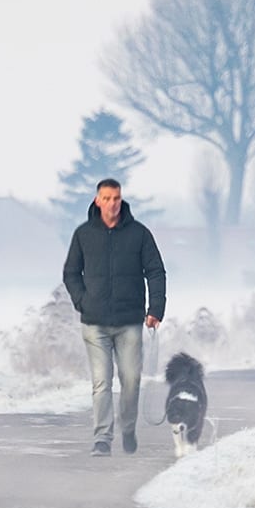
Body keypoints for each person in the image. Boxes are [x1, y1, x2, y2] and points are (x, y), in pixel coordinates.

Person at [61, 177, 167, 455]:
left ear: (122, 199)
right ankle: (102, 439)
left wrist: (155, 309)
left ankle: (128, 427)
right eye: (107, 198)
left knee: (131, 380)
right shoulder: (84, 234)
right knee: (101, 382)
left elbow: (155, 271)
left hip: (129, 321)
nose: (112, 204)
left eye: (116, 198)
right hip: (94, 322)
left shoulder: (139, 234)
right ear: (97, 201)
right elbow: (71, 272)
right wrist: (82, 301)